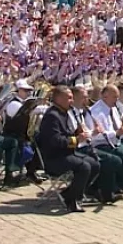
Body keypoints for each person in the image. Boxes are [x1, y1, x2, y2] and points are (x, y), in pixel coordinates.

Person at [38, 85, 99, 213]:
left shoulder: (63, 113)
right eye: (69, 98)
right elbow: (55, 141)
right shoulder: (52, 116)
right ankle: (72, 200)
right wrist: (77, 140)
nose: (72, 101)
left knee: (94, 164)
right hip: (54, 158)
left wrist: (77, 132)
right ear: (59, 99)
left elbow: (66, 133)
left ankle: (69, 193)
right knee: (84, 167)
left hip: (66, 154)